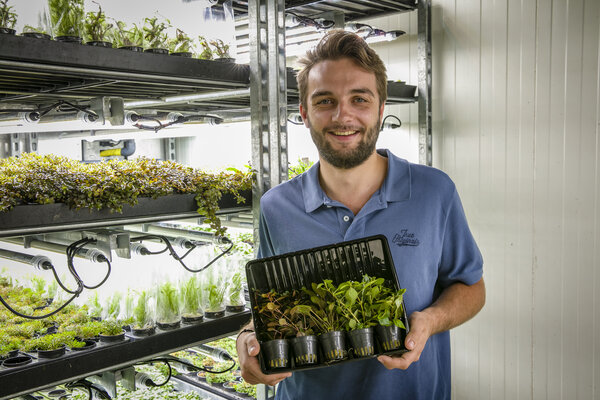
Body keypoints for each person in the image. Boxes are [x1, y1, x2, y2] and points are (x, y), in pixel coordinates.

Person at [236, 29, 485, 400]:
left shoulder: (434, 192)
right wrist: (246, 338)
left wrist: (430, 321)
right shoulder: (277, 207)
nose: (343, 116)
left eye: (359, 99)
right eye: (325, 101)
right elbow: (268, 308)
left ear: (381, 109)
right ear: (304, 113)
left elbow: (472, 287)